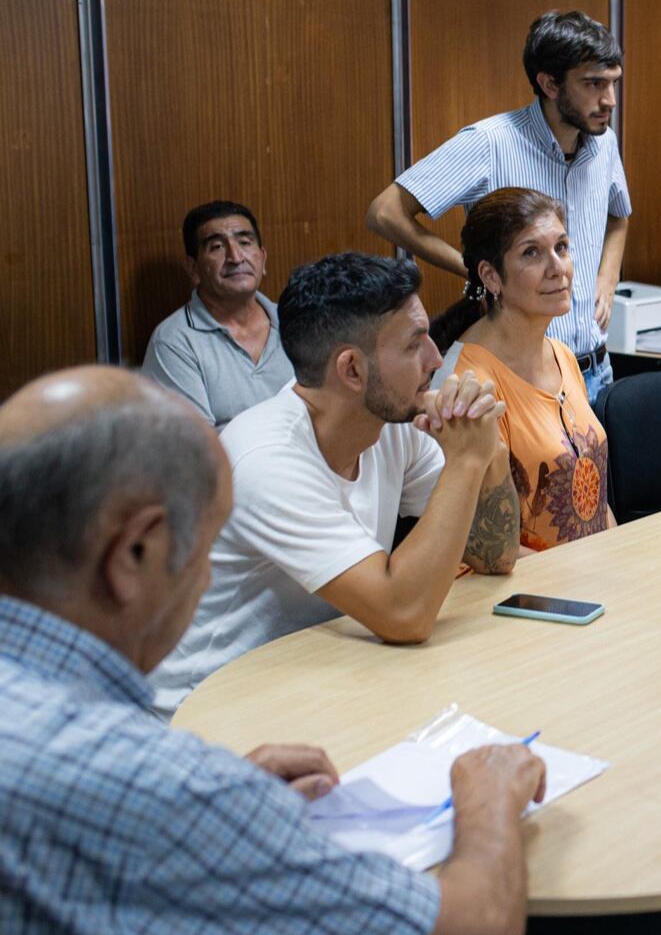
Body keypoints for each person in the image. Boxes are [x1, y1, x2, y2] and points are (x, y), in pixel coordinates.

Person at [0, 366, 545, 935]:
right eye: (206, 547)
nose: (207, 576)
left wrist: (208, 798)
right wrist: (488, 801)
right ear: (135, 552)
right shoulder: (161, 788)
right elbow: (475, 926)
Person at [150, 253, 519, 715]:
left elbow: (497, 555)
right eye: (414, 344)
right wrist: (466, 463)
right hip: (208, 708)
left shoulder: (392, 419)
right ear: (351, 370)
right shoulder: (266, 458)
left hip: (317, 677)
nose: (436, 359)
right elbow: (404, 615)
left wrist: (492, 454)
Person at [367, 10, 629, 401]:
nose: (609, 100)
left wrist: (607, 278)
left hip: (594, 368)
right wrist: (475, 269)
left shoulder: (603, 140)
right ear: (549, 84)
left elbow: (619, 214)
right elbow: (385, 212)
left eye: (613, 83)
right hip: (521, 376)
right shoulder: (489, 143)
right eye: (594, 84)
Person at [429, 188, 615, 551]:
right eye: (532, 253)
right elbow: (474, 542)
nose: (558, 267)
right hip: (518, 595)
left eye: (561, 247)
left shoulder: (561, 354)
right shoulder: (466, 384)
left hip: (589, 578)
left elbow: (597, 502)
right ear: (492, 277)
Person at [143, 200, 294, 428]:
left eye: (245, 242)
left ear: (263, 258)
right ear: (193, 269)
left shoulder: (296, 320)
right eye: (217, 247)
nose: (236, 257)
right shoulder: (174, 341)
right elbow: (198, 448)